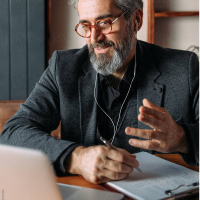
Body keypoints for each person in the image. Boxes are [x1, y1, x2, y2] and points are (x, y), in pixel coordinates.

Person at [0, 0, 199, 184]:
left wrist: (183, 138)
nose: (94, 38)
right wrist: (76, 158)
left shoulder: (184, 68)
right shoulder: (62, 67)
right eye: (86, 26)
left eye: (104, 23)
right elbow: (12, 133)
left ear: (136, 20)